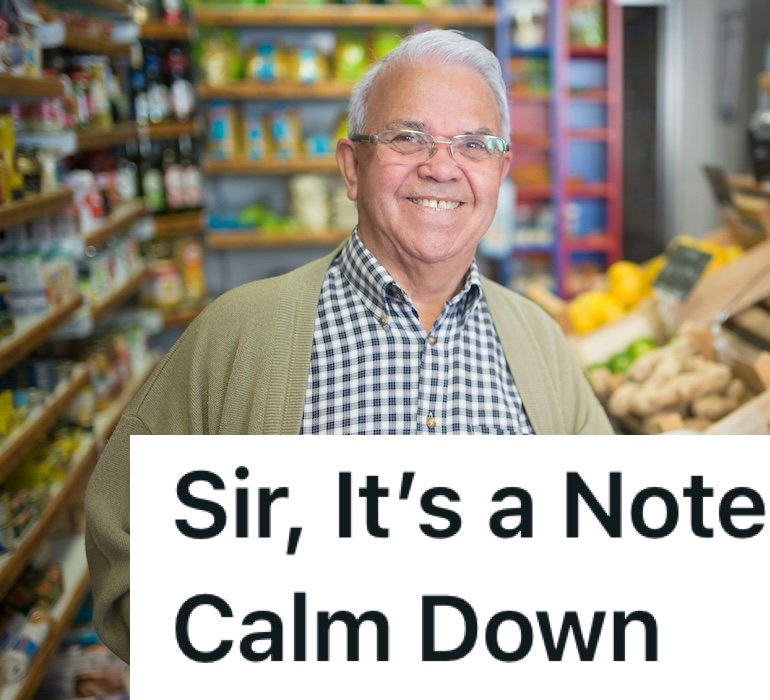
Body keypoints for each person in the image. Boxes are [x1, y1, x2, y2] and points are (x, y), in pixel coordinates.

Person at [84, 29, 613, 664]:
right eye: (407, 137)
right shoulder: (235, 336)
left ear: (500, 172)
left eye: (474, 145)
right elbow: (127, 554)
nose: (441, 166)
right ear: (350, 167)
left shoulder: (541, 346)